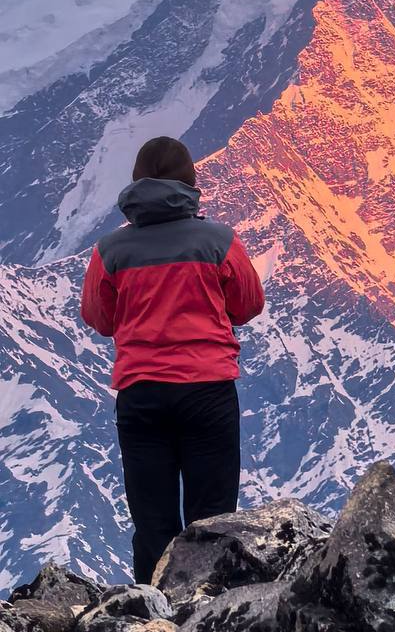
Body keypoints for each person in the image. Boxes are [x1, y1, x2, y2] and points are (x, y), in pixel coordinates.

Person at [79, 136, 265, 584]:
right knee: (213, 518)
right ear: (190, 183)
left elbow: (98, 318)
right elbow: (248, 304)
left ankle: (152, 618)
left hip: (141, 396)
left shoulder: (110, 251)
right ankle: (209, 617)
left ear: (136, 185)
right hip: (207, 393)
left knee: (152, 521)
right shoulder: (218, 241)